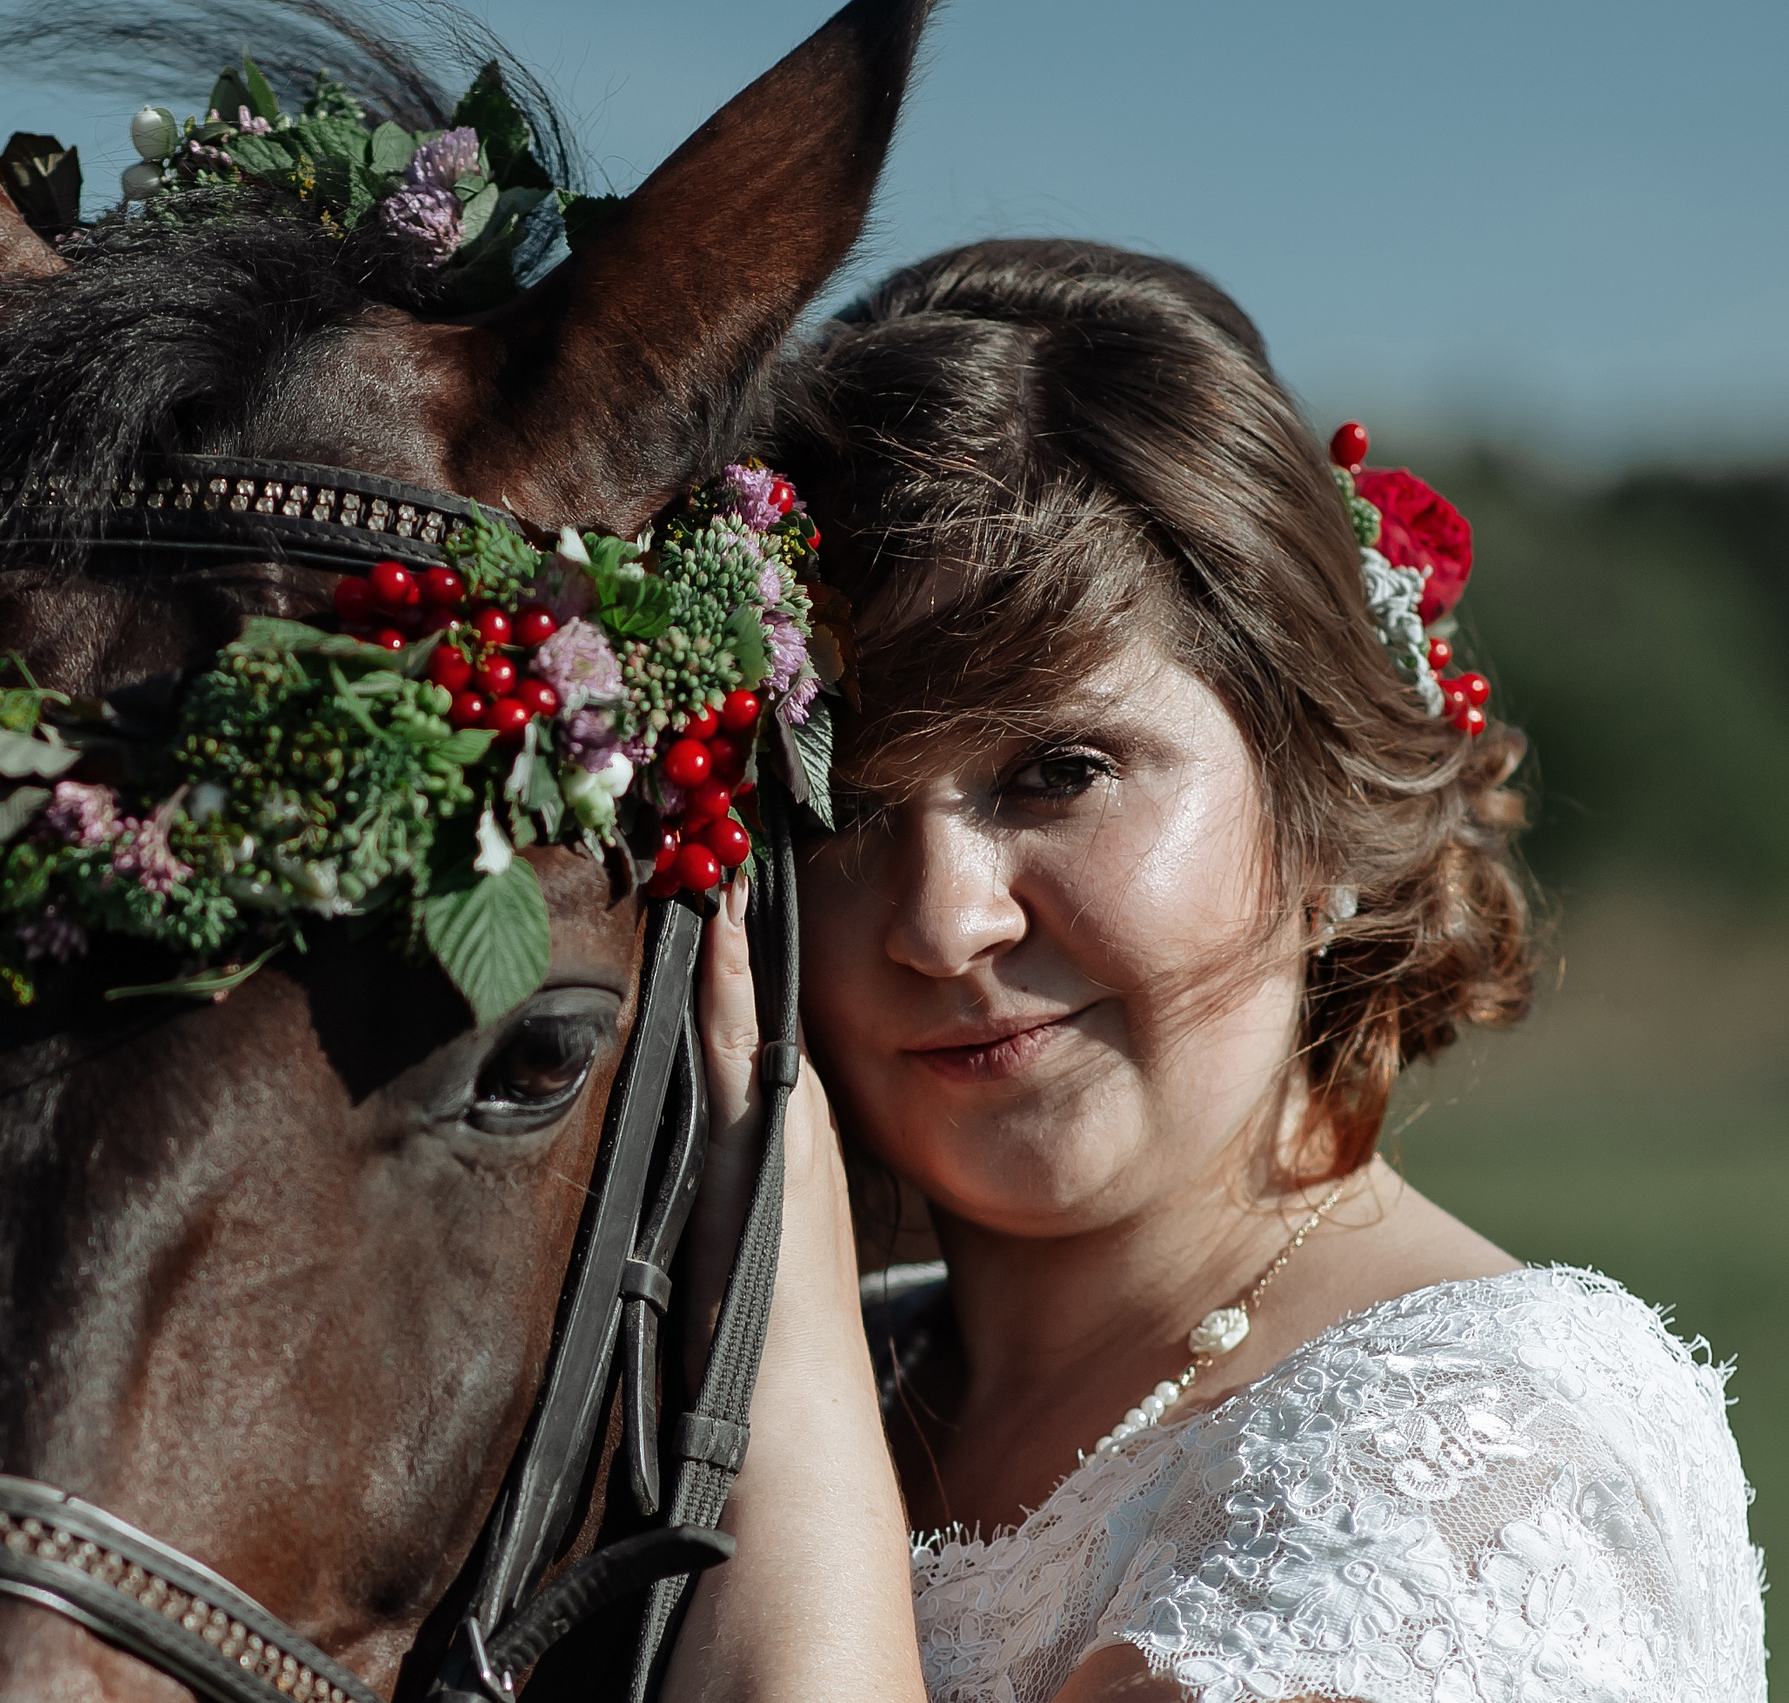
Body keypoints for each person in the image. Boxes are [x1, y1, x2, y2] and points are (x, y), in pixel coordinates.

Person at [663, 240, 1768, 1702]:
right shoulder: (735, 1375)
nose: (943, 921)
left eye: (1057, 772)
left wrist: (794, 1428)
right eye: (843, 808)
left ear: (1315, 802)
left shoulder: (1478, 1456)